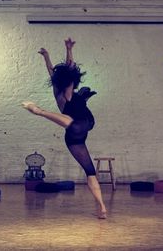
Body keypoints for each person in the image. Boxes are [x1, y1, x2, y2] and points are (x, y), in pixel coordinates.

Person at [22, 38, 107, 219]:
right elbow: (69, 68)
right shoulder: (67, 92)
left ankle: (101, 206)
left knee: (88, 168)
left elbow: (55, 72)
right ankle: (101, 207)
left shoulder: (58, 92)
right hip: (85, 123)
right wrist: (68, 49)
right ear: (70, 81)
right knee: (90, 171)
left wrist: (47, 56)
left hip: (74, 134)